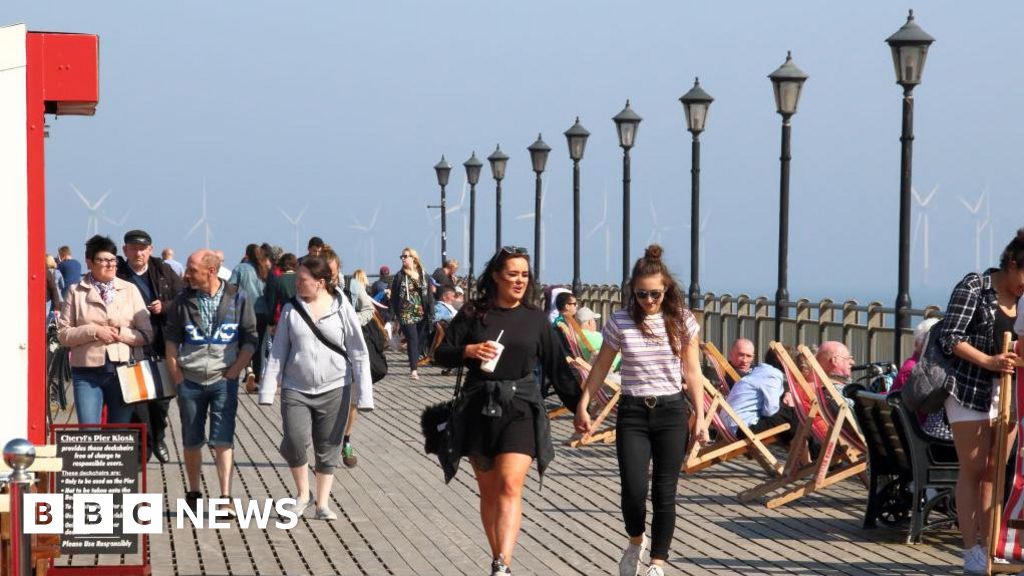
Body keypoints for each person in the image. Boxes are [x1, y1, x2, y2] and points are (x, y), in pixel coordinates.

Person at [575, 244, 709, 576]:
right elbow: (601, 367)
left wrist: (701, 418)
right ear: (632, 292)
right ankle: (636, 541)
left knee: (665, 492)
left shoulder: (682, 321)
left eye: (655, 295)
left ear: (667, 291)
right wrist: (583, 404)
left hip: (672, 412)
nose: (648, 301)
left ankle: (657, 564)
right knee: (633, 491)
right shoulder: (620, 321)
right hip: (633, 412)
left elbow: (693, 372)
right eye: (641, 295)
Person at [434, 245, 565, 576]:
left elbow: (557, 368)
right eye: (512, 274)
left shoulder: (536, 319)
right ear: (496, 276)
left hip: (521, 406)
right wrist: (469, 349)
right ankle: (497, 557)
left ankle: (503, 563)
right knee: (489, 491)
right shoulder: (474, 314)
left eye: (524, 274)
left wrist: (583, 408)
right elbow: (442, 354)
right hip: (480, 405)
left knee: (509, 485)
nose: (519, 280)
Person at [255, 256, 373, 520]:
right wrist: (267, 389)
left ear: (320, 283)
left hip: (336, 386)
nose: (296, 284)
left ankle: (321, 503)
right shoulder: (290, 309)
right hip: (296, 387)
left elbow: (358, 352)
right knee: (295, 440)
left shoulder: (342, 307)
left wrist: (364, 395)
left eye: (302, 280)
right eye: (297, 279)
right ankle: (302, 494)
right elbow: (278, 352)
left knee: (328, 445)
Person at [936, 228, 1023, 575]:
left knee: (995, 471)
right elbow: (950, 336)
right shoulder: (975, 286)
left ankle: (992, 544)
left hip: (1009, 391)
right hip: (969, 388)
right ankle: (971, 547)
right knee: (973, 470)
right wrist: (988, 361)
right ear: (1012, 264)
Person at [164, 249, 258, 513]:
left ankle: (225, 497)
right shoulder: (182, 300)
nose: (186, 274)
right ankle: (194, 491)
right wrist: (177, 376)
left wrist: (235, 370)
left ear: (211, 271)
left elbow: (250, 338)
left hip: (223, 379)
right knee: (191, 438)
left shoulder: (238, 297)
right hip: (190, 380)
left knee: (222, 438)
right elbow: (171, 340)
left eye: (192, 270)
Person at [58, 235, 153, 425]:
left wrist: (121, 333)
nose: (109, 265)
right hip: (86, 372)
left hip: (124, 370)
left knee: (118, 434)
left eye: (112, 260)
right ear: (89, 263)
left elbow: (146, 334)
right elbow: (63, 335)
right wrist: (93, 331)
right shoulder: (75, 291)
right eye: (102, 260)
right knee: (89, 431)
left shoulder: (130, 289)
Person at [116, 229, 185, 463]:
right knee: (138, 402)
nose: (138, 253)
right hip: (132, 344)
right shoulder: (118, 273)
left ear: (150, 250)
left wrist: (164, 306)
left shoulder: (163, 270)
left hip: (161, 342)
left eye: (142, 248)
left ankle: (159, 437)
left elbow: (182, 297)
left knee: (162, 400)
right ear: (125, 250)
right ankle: (142, 451)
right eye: (133, 248)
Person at [389, 247, 434, 380]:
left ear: (413, 258)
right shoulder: (399, 276)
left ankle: (414, 359)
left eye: (405, 256)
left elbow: (429, 295)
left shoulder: (424, 275)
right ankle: (413, 370)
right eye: (401, 257)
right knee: (412, 339)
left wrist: (431, 312)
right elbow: (394, 297)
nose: (402, 259)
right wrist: (392, 316)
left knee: (418, 339)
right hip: (405, 313)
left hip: (421, 312)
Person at [229, 243, 269, 387]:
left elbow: (231, 288)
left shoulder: (240, 268)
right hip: (263, 312)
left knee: (244, 342)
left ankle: (248, 368)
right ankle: (258, 379)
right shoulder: (265, 269)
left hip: (245, 311)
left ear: (246, 254)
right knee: (260, 345)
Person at [575, 306, 621, 372]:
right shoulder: (593, 336)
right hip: (612, 370)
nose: (595, 323)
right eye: (595, 321)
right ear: (589, 322)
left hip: (595, 369)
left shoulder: (577, 335)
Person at [265, 253, 299, 329]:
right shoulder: (301, 279)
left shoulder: (278, 280)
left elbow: (273, 303)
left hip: (285, 316)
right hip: (301, 316)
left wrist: (271, 322)